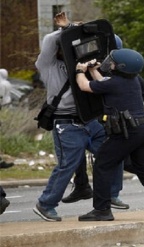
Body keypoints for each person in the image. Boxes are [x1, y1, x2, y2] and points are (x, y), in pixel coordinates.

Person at [75, 48, 144, 230]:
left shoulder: (115, 83)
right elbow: (103, 83)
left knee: (102, 164)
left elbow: (85, 86)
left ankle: (102, 210)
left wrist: (80, 70)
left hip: (127, 132)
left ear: (121, 67)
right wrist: (94, 70)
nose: (110, 63)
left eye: (113, 62)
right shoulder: (133, 81)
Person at [32, 12, 119, 222]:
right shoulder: (48, 66)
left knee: (112, 154)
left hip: (90, 120)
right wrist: (67, 29)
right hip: (66, 122)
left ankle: (112, 195)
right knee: (67, 165)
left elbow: (114, 41)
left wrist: (84, 29)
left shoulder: (86, 65)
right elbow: (49, 41)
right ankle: (45, 204)